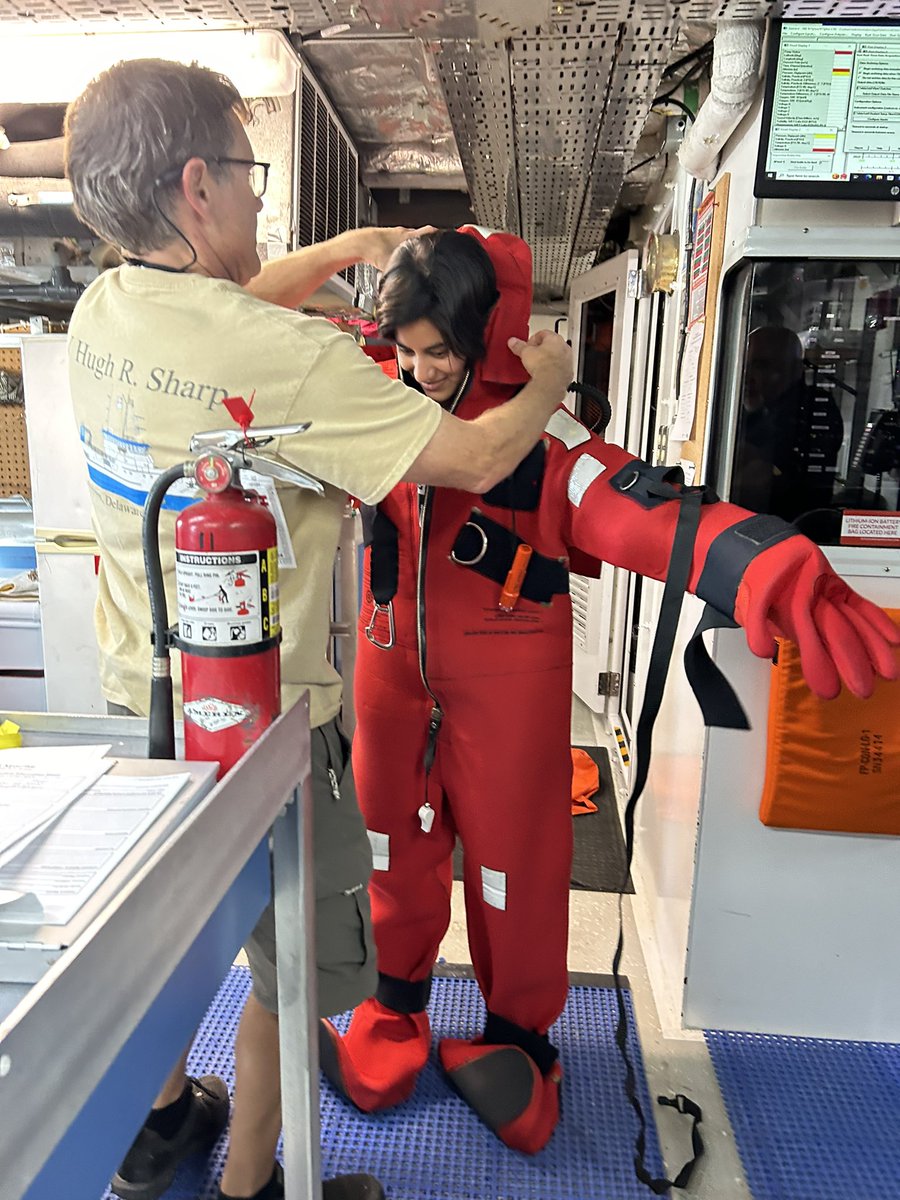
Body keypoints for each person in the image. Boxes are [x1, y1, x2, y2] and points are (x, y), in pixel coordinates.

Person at [63, 61, 573, 1200]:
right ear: (198, 185)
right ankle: (254, 1186)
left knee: (158, 943)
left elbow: (231, 312)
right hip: (266, 739)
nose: (256, 198)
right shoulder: (287, 361)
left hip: (137, 703)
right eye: (247, 175)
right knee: (292, 970)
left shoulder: (107, 306)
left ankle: (160, 1130)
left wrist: (344, 254)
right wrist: (547, 387)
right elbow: (484, 457)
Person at [316, 227, 900, 1155]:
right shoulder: (374, 409)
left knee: (517, 878)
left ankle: (516, 1045)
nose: (422, 372)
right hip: (392, 698)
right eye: (409, 351)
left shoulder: (548, 443)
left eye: (441, 353)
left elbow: (642, 511)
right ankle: (394, 1013)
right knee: (391, 855)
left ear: (488, 336)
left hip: (506, 708)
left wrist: (761, 562)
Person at [732, 325, 844, 522]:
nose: (748, 376)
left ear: (793, 369)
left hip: (797, 527)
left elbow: (762, 479)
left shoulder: (814, 408)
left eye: (761, 366)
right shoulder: (747, 410)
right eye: (744, 365)